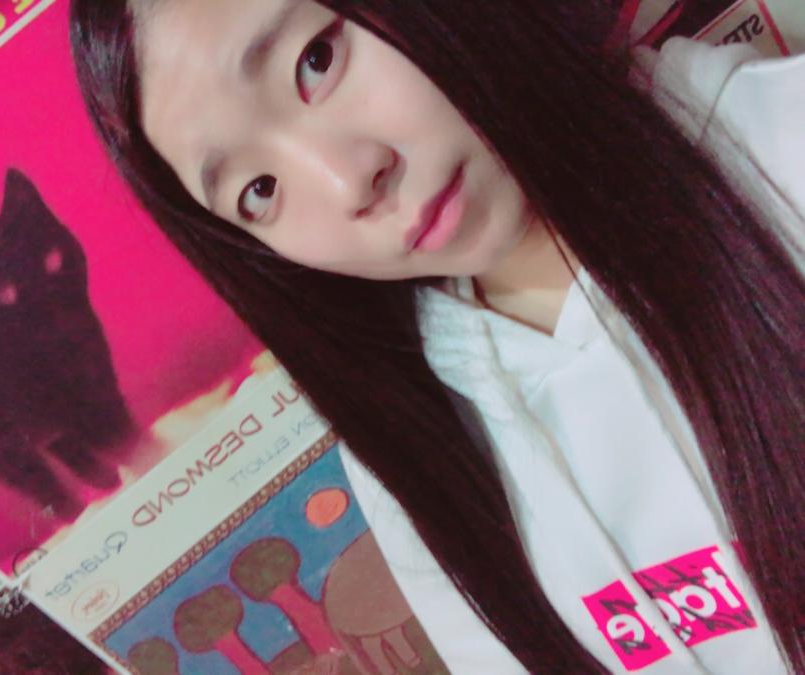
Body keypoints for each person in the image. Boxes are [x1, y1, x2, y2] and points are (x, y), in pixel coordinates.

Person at [69, 1, 804, 672]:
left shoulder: (782, 146)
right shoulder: (418, 452)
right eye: (259, 191)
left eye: (316, 61)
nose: (348, 182)